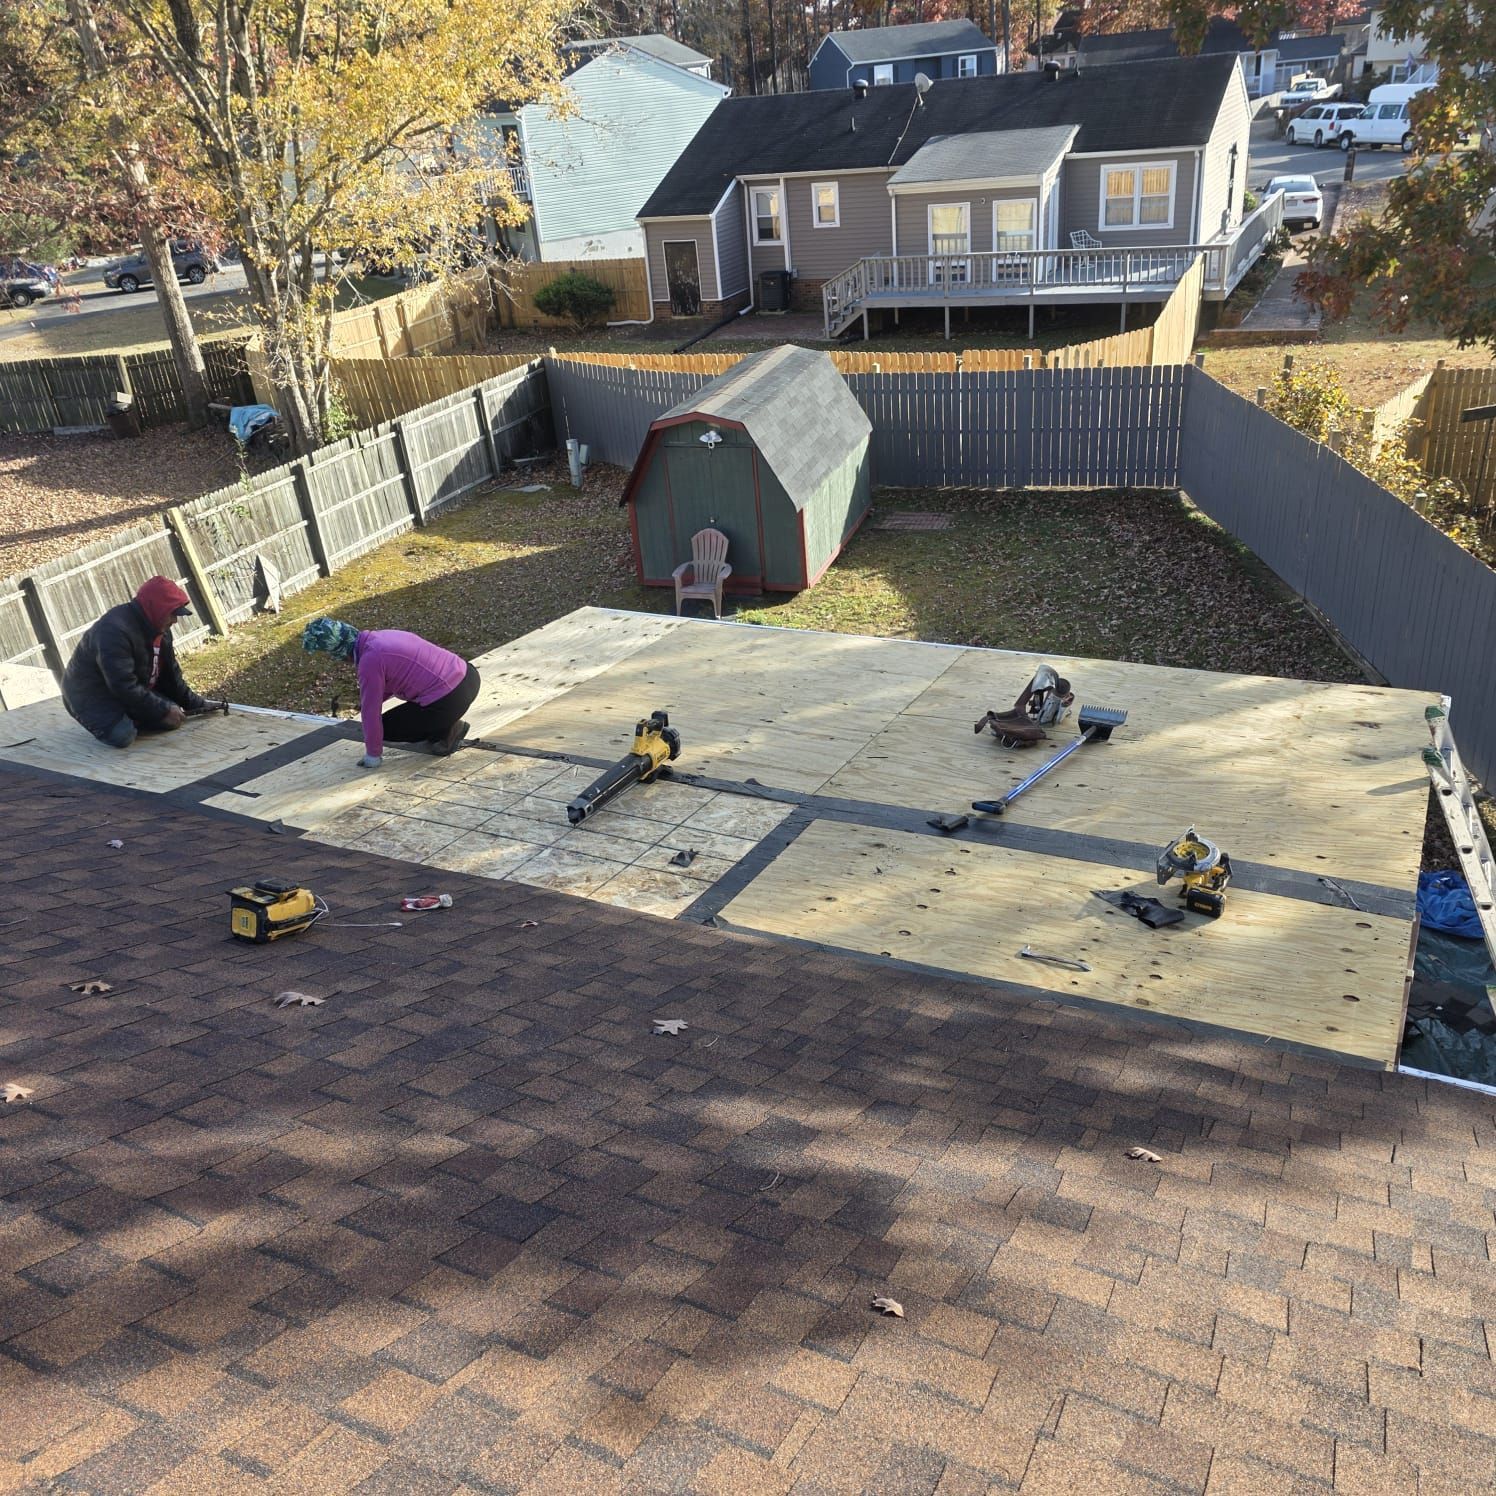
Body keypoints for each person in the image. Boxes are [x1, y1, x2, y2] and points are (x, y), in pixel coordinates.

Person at [302, 618, 478, 769]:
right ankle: (445, 721)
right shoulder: (382, 637)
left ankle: (447, 731)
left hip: (451, 698)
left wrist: (373, 755)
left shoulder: (369, 662)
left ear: (339, 652)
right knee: (407, 715)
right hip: (468, 676)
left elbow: (371, 714)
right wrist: (372, 699)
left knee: (386, 729)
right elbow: (395, 677)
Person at [62, 576, 210, 748]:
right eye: (172, 614)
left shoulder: (161, 629)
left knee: (175, 716)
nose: (175, 621)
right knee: (123, 735)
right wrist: (162, 709)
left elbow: (172, 677)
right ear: (158, 608)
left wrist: (200, 705)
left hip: (125, 689)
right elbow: (123, 685)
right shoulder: (113, 631)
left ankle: (132, 715)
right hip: (88, 694)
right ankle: (118, 719)